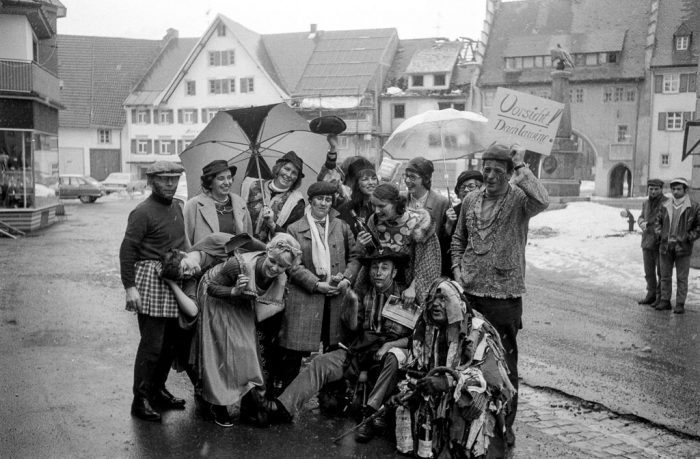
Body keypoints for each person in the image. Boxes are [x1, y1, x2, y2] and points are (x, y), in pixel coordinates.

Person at [451, 144, 549, 446]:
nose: (490, 175)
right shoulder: (469, 200)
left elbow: (543, 200)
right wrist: (457, 270)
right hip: (470, 294)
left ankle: (505, 423)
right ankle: (472, 420)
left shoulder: (519, 200)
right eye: (487, 169)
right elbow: (458, 239)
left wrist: (520, 165)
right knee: (468, 359)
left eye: (498, 170)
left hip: (505, 296)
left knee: (504, 364)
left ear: (508, 174)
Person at [256, 250, 413, 435]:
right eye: (374, 267)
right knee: (320, 363)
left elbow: (414, 339)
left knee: (391, 360)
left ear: (394, 272)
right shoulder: (364, 293)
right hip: (361, 352)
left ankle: (369, 416)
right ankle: (281, 408)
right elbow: (355, 329)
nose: (378, 272)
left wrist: (388, 346)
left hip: (390, 356)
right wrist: (352, 306)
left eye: (384, 268)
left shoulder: (406, 297)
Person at [194, 233, 302, 427]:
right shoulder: (238, 265)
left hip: (242, 302)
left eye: (282, 266)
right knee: (220, 348)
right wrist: (234, 291)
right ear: (267, 252)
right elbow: (212, 287)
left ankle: (245, 399)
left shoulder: (281, 276)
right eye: (272, 261)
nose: (275, 268)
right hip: (217, 297)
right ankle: (216, 404)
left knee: (246, 348)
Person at [400, 278, 515, 458]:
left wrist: (449, 381)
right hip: (437, 397)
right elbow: (417, 366)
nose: (436, 305)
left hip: (467, 400)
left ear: (456, 303)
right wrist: (412, 389)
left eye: (443, 299)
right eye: (432, 300)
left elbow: (491, 380)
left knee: (468, 400)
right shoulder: (426, 327)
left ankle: (464, 450)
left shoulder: (476, 330)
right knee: (405, 405)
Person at [119, 161, 188, 422]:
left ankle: (158, 390)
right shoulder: (142, 212)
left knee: (170, 344)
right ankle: (141, 399)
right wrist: (130, 287)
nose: (170, 184)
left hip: (173, 276)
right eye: (164, 179)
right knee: (152, 345)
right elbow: (127, 250)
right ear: (151, 181)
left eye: (174, 179)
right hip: (150, 280)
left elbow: (182, 243)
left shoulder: (178, 207)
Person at [277, 181, 361, 388]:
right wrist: (316, 284)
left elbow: (356, 256)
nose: (323, 204)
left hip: (336, 298)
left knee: (335, 349)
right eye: (319, 199)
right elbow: (292, 265)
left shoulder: (341, 226)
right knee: (294, 352)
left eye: (328, 200)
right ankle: (287, 397)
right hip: (306, 299)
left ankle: (332, 397)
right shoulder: (295, 229)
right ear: (311, 201)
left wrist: (346, 278)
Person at [358, 182, 442, 307]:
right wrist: (363, 244)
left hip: (408, 292)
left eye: (382, 206)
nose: (376, 211)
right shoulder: (374, 221)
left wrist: (413, 288)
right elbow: (371, 257)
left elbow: (427, 265)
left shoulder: (419, 225)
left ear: (396, 203)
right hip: (379, 289)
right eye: (374, 205)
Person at [654, 177, 700, 314]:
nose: (675, 191)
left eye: (679, 189)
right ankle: (665, 300)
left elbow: (699, 226)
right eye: (673, 189)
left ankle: (680, 303)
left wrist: (689, 238)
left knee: (682, 277)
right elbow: (658, 222)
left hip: (683, 247)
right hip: (666, 246)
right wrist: (660, 236)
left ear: (685, 190)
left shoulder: (694, 206)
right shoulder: (665, 205)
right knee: (665, 275)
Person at [183, 160, 252, 246]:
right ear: (210, 183)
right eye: (221, 178)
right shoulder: (193, 205)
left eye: (229, 177)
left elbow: (249, 239)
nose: (227, 182)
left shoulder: (240, 203)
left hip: (236, 258)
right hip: (205, 258)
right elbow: (186, 242)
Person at [243, 151, 306, 241]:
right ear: (278, 168)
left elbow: (292, 237)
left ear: (297, 178)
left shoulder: (297, 202)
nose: (289, 175)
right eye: (287, 169)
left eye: (294, 173)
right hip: (243, 245)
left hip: (272, 251)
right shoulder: (253, 186)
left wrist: (272, 224)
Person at [403, 157, 451, 275]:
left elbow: (445, 241)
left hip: (429, 266)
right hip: (403, 265)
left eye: (412, 177)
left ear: (426, 178)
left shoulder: (441, 202)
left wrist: (450, 224)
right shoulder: (400, 199)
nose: (407, 180)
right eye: (406, 176)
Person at [636, 179, 667, 307]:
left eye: (656, 189)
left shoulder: (666, 203)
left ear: (661, 189)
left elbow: (664, 221)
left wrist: (648, 223)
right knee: (648, 271)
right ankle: (651, 294)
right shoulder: (646, 203)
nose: (653, 191)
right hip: (646, 242)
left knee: (661, 272)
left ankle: (660, 297)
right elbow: (641, 216)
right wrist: (641, 221)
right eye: (651, 189)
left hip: (659, 242)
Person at [337, 157, 378, 236]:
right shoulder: (345, 209)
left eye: (373, 178)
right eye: (365, 179)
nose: (371, 183)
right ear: (357, 183)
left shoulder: (382, 206)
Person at [444, 170, 483, 238]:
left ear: (481, 189)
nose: (466, 190)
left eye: (471, 186)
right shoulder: (452, 213)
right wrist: (449, 224)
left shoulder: (489, 210)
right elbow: (444, 245)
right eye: (462, 187)